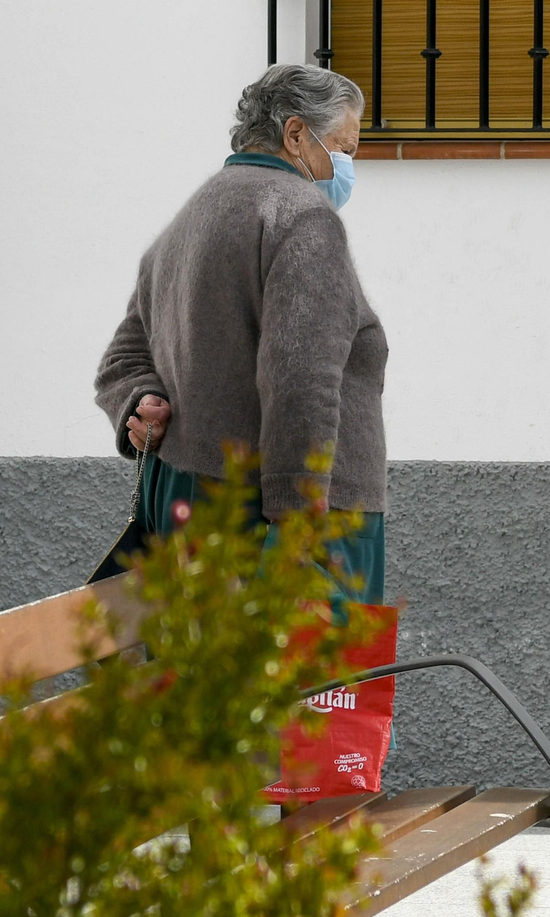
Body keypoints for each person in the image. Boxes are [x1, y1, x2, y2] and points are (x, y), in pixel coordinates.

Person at [94, 63, 387, 604]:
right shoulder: (302, 217)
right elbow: (301, 380)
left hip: (188, 501)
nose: (348, 165)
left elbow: (122, 358)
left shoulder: (196, 213)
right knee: (312, 687)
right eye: (344, 149)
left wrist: (142, 401)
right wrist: (298, 528)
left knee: (199, 679)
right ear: (295, 133)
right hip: (283, 519)